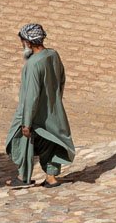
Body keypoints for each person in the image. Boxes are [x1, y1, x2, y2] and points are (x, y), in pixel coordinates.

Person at [6, 23, 75, 189]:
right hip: (52, 111)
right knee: (50, 142)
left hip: (32, 113)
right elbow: (61, 79)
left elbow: (31, 96)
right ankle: (51, 177)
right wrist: (54, 101)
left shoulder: (33, 64)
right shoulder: (53, 55)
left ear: (28, 43)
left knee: (20, 140)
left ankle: (23, 177)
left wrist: (26, 122)